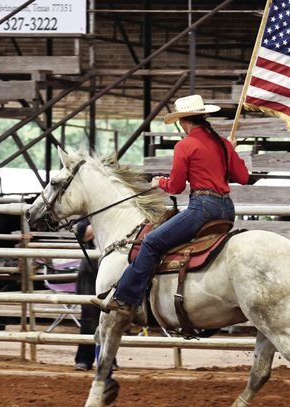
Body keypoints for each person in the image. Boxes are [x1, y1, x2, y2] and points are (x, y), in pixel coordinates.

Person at [103, 94, 250, 316]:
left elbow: (177, 186)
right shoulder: (222, 144)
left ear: (184, 120)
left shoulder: (186, 145)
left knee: (151, 242)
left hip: (202, 207)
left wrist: (159, 182)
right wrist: (232, 153)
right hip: (226, 209)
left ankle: (125, 298)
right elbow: (243, 176)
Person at [73, 219, 100, 371]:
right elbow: (83, 235)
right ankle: (83, 359)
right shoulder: (88, 215)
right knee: (89, 317)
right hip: (90, 271)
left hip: (110, 269)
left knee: (109, 317)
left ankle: (106, 358)